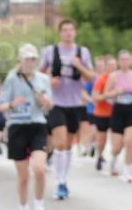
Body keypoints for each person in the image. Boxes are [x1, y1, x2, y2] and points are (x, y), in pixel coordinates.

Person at [39, 19, 95, 199]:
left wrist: (79, 66)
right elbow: (37, 76)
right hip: (57, 103)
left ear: (75, 32)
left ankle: (63, 178)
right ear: (59, 33)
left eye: (71, 30)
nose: (68, 33)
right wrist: (49, 81)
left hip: (76, 103)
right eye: (64, 30)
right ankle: (59, 181)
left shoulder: (82, 52)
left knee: (68, 145)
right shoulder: (50, 51)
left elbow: (91, 78)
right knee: (60, 141)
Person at [0, 44, 53, 210]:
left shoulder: (43, 79)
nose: (30, 62)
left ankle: (39, 207)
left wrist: (44, 101)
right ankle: (23, 209)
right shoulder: (12, 79)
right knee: (23, 175)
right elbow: (1, 106)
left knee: (40, 169)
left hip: (37, 125)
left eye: (33, 59)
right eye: (26, 59)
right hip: (17, 126)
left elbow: (49, 105)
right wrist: (13, 104)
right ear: (19, 60)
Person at [104, 50, 132, 182]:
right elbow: (105, 94)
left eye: (127, 59)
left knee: (129, 141)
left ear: (130, 61)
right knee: (117, 147)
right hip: (118, 110)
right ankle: (113, 160)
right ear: (119, 62)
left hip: (130, 109)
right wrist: (115, 92)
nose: (125, 62)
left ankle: (127, 171)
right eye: (122, 60)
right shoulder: (113, 76)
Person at [92, 56, 116, 171]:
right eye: (110, 65)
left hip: (115, 113)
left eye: (114, 65)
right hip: (102, 113)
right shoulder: (102, 79)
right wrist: (106, 96)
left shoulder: (118, 78)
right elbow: (95, 96)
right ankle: (99, 156)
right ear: (106, 67)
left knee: (115, 138)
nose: (112, 67)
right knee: (102, 139)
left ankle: (113, 160)